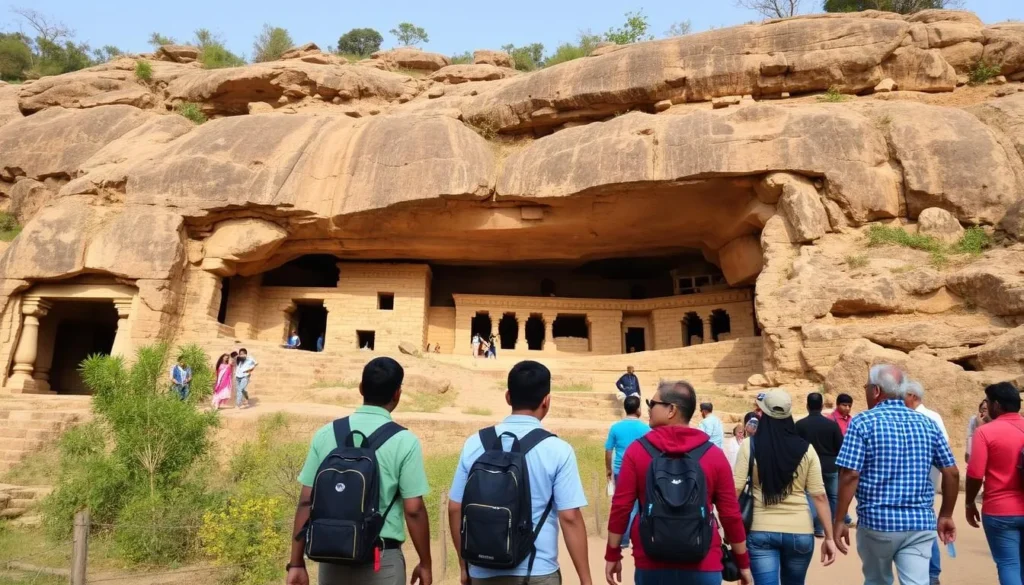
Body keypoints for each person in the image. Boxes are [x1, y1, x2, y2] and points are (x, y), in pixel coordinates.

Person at [288, 357, 432, 585]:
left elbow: (306, 501)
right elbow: (413, 510)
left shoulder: (326, 434)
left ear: (361, 388)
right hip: (380, 560)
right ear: (397, 394)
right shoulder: (405, 441)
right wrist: (425, 563)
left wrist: (296, 563)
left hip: (333, 558)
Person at [448, 361, 593, 585]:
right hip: (537, 571)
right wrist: (586, 579)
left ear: (508, 397)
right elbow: (570, 517)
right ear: (546, 401)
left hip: (483, 569)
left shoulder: (475, 443)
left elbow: (455, 508)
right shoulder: (558, 450)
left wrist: (464, 566)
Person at [606, 381, 752, 585]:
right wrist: (743, 563)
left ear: (671, 410)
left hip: (651, 564)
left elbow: (621, 507)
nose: (648, 409)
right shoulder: (713, 455)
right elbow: (730, 514)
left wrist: (613, 554)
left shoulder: (637, 452)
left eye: (652, 404)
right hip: (703, 564)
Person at [833, 364, 959, 585]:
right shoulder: (928, 424)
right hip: (919, 523)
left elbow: (850, 474)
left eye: (866, 387)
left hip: (877, 522)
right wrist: (946, 515)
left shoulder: (862, 422)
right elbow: (951, 472)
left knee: (877, 580)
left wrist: (840, 519)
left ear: (876, 391)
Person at [735, 390, 836, 585]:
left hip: (761, 530)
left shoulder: (750, 446)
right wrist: (829, 537)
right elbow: (819, 496)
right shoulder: (807, 450)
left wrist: (730, 531)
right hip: (800, 531)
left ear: (763, 414)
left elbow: (736, 489)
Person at [966, 382, 1024, 585]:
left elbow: (975, 474)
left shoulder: (986, 432)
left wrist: (969, 503)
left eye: (988, 402)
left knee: (1008, 564)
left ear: (997, 405)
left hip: (1000, 510)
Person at [903, 379, 950, 585]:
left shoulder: (928, 417)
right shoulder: (930, 417)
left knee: (924, 526)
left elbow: (944, 451)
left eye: (903, 396)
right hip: (919, 479)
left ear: (912, 396)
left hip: (923, 480)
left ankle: (931, 573)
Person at [795, 393, 844, 539]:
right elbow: (840, 447)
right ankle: (832, 526)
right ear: (822, 406)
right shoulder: (832, 425)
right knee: (833, 496)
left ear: (807, 406)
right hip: (830, 466)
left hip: (808, 466)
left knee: (811, 495)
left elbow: (795, 447)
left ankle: (816, 527)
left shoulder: (799, 425)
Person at [604, 395, 649, 548]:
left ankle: (622, 539)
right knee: (637, 504)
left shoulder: (615, 427)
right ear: (638, 410)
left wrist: (608, 469)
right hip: (639, 470)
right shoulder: (645, 429)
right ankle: (635, 537)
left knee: (622, 503)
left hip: (620, 470)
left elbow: (608, 450)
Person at [966, 399, 990, 464]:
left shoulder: (994, 421)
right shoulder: (974, 419)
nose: (985, 411)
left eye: (987, 409)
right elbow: (970, 436)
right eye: (983, 409)